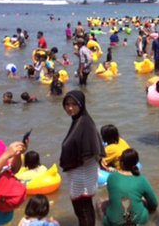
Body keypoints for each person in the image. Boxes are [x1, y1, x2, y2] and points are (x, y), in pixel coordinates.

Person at [60, 90, 105, 226]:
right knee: (83, 209)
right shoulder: (79, 121)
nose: (70, 108)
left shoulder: (84, 123)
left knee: (83, 210)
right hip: (81, 172)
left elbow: (89, 149)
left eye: (74, 104)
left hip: (83, 174)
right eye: (67, 104)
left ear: (81, 104)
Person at [103, 149, 158, 225]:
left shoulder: (111, 177)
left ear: (121, 162)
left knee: (101, 202)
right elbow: (154, 203)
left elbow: (114, 197)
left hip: (113, 222)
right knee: (143, 200)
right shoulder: (141, 179)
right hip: (137, 221)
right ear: (136, 164)